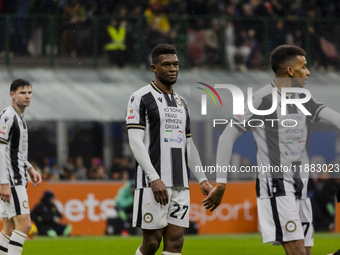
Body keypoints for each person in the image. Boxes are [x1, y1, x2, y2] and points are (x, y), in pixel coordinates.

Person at [203, 45, 340, 255]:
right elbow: (227, 135)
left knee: (306, 253)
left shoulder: (303, 97)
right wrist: (221, 182)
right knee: (298, 252)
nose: (308, 71)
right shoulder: (262, 99)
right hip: (276, 185)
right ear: (290, 71)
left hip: (301, 186)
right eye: (304, 67)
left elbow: (336, 119)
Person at [126, 43, 212, 255]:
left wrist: (202, 179)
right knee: (152, 243)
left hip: (181, 184)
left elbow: (188, 144)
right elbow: (135, 141)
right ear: (154, 68)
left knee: (176, 243)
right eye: (166, 65)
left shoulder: (182, 102)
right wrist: (154, 178)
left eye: (175, 64)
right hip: (153, 182)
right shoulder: (140, 98)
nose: (173, 68)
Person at [0, 79, 42, 255]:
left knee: (9, 227)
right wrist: (3, 182)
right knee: (25, 226)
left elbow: (14, 151)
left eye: (29, 93)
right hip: (11, 179)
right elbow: (0, 150)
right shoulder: (8, 116)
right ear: (12, 95)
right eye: (22, 93)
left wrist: (29, 168)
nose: (27, 96)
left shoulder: (20, 117)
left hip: (17, 175)